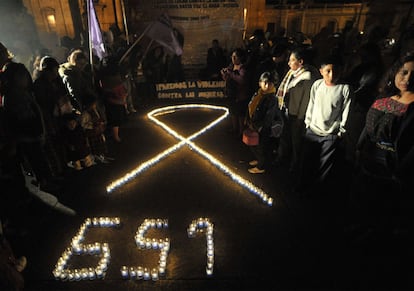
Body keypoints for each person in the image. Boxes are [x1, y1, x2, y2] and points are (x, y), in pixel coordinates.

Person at [349, 52, 414, 239]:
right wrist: (359, 148)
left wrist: (400, 170)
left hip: (394, 165)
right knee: (363, 197)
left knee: (384, 204)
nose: (407, 78)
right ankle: (360, 226)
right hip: (369, 158)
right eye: (404, 72)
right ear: (395, 72)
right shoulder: (384, 98)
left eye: (413, 74)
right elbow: (367, 128)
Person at [299, 55, 352, 194]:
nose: (331, 74)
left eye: (335, 70)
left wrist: (340, 131)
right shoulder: (317, 85)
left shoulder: (344, 89)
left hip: (330, 134)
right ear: (321, 71)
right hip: (313, 129)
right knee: (307, 160)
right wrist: (308, 122)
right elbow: (311, 104)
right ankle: (302, 186)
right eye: (328, 71)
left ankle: (318, 191)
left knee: (324, 165)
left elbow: (346, 111)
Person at [276, 47, 319, 174]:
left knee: (296, 142)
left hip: (297, 115)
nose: (289, 63)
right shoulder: (291, 73)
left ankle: (295, 165)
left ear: (300, 62)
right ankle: (282, 157)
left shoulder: (307, 77)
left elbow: (305, 100)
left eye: (292, 60)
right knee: (285, 137)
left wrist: (300, 118)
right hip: (287, 110)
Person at [245, 71, 282, 174]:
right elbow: (251, 106)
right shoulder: (259, 94)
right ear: (259, 83)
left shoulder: (272, 98)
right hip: (255, 123)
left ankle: (261, 166)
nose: (266, 85)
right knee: (254, 144)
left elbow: (269, 115)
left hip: (263, 127)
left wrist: (262, 126)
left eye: (269, 83)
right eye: (264, 82)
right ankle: (259, 160)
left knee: (262, 146)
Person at [221, 48, 250, 137]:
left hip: (240, 94)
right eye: (232, 56)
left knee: (240, 113)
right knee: (233, 111)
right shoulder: (231, 66)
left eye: (235, 57)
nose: (233, 59)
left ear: (240, 58)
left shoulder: (243, 68)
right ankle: (234, 128)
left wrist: (231, 74)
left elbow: (242, 80)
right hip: (231, 94)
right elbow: (227, 79)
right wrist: (224, 74)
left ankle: (241, 131)